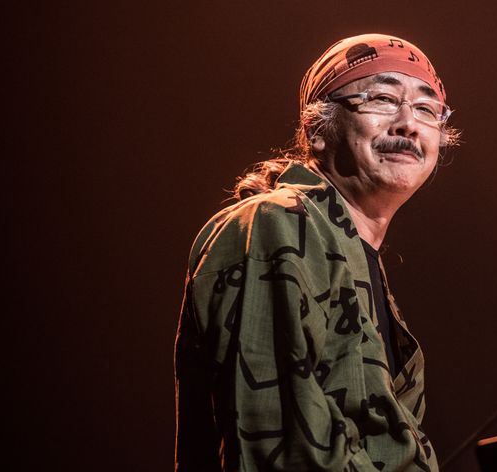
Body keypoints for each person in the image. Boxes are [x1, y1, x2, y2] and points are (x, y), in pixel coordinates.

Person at [174, 33, 459, 471]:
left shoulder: (356, 257)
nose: (408, 124)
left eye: (426, 109)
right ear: (317, 131)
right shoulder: (275, 224)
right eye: (381, 98)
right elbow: (281, 445)